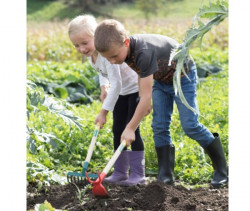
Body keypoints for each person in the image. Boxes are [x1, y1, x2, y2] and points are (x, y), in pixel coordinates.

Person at [94, 19, 228, 188]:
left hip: (182, 77)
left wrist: (130, 128)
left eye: (114, 56)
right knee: (159, 125)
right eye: (108, 59)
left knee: (190, 125)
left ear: (126, 42)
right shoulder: (124, 51)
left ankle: (222, 169)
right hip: (161, 81)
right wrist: (144, 96)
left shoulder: (143, 51)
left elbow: (145, 96)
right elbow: (141, 74)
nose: (112, 61)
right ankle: (165, 175)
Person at [68, 15, 146, 186]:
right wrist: (104, 87)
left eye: (84, 43)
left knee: (131, 131)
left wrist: (103, 112)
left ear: (96, 36)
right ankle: (120, 172)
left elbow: (116, 84)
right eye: (76, 45)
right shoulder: (92, 57)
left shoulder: (106, 55)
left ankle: (138, 174)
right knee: (117, 130)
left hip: (134, 90)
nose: (81, 48)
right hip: (120, 93)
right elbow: (102, 74)